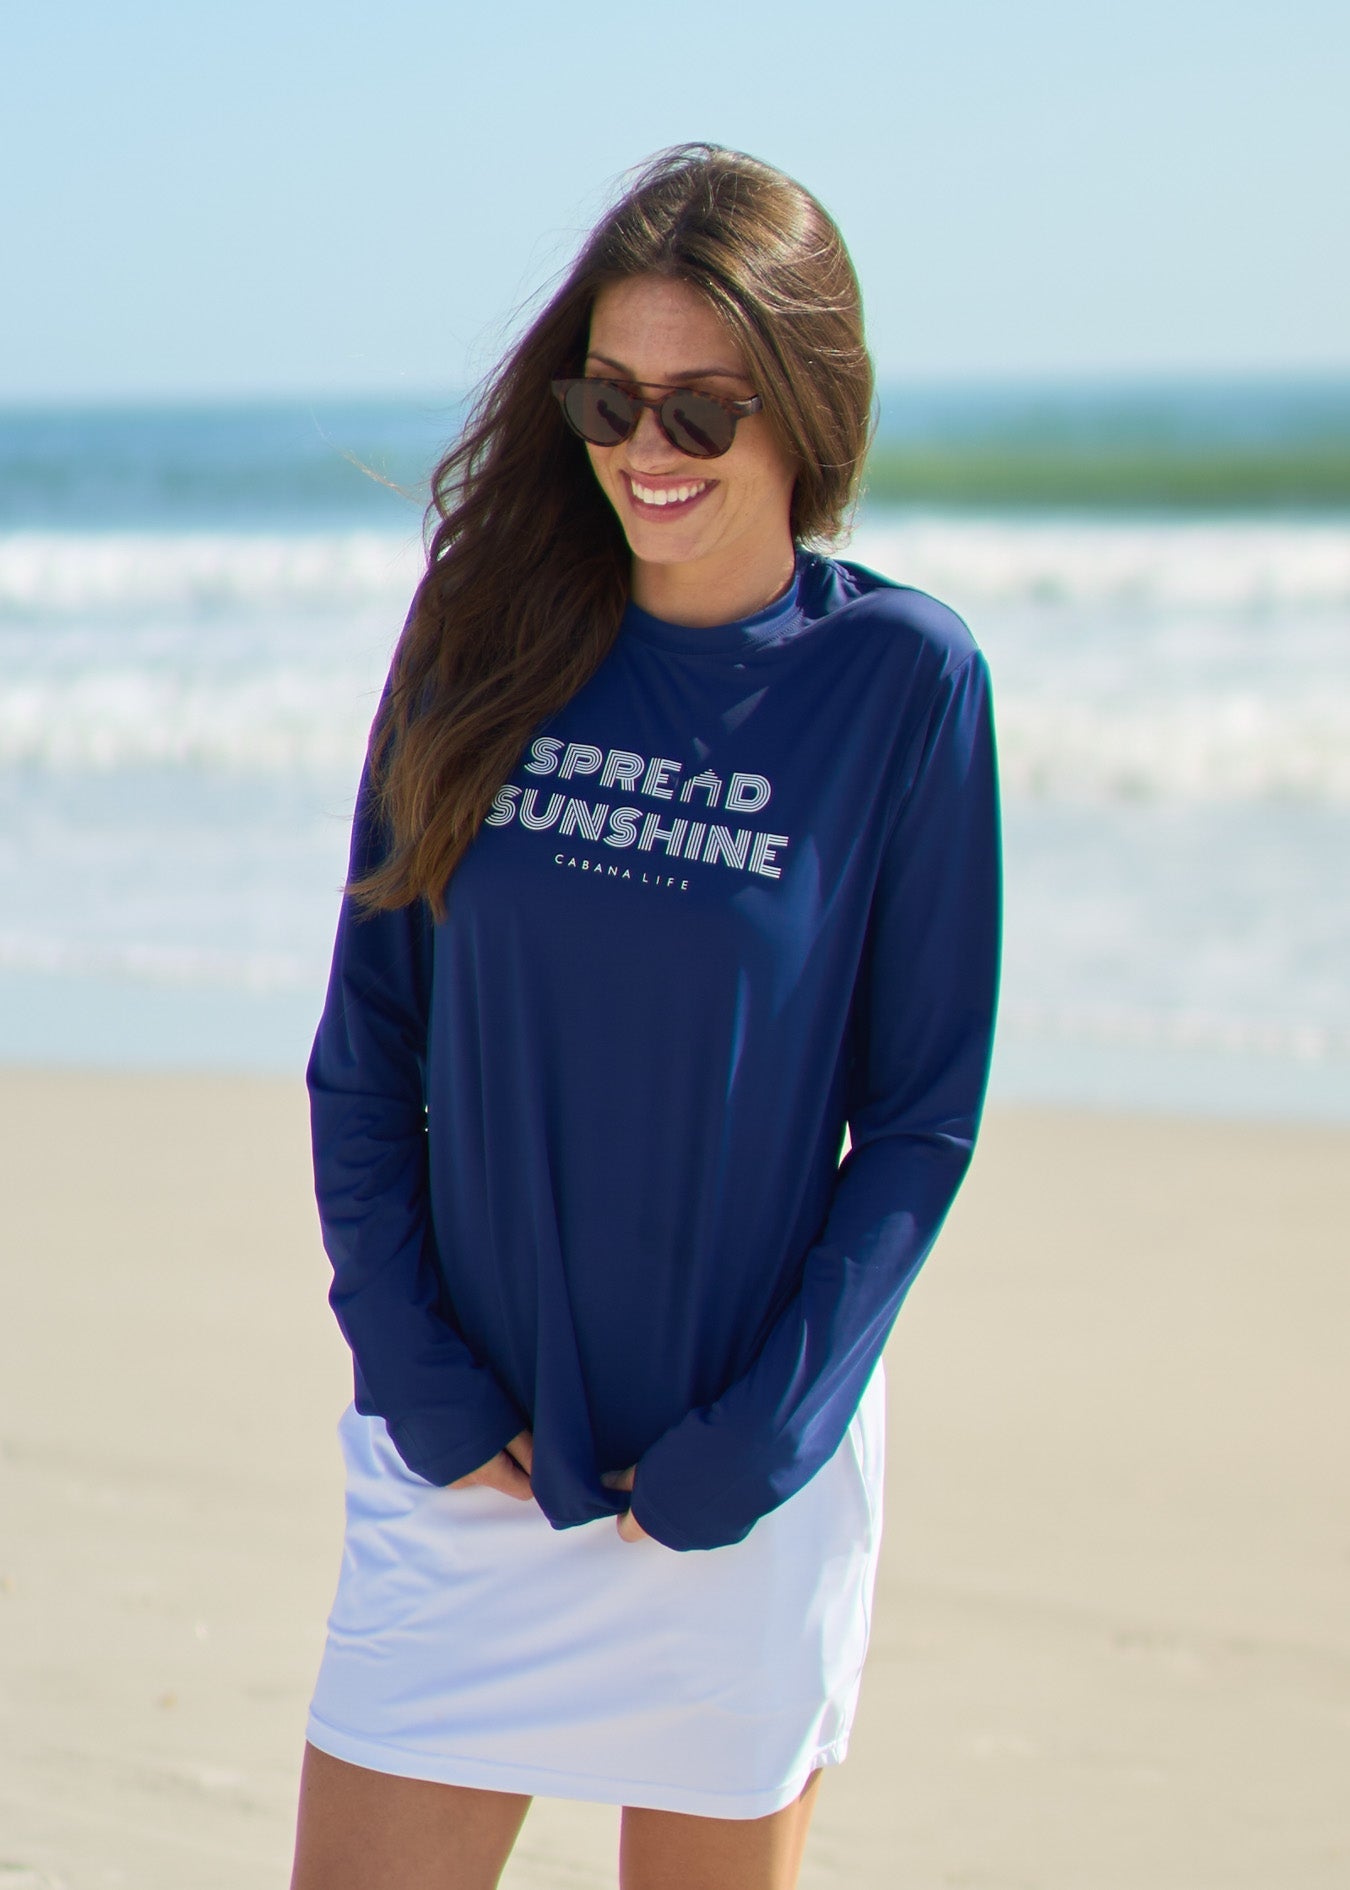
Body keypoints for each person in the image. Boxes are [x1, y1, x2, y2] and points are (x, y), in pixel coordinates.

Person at [290, 142, 1001, 1890]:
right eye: (609, 399)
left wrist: (769, 1430)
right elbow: (368, 1040)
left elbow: (918, 1113)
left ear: (804, 407)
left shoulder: (905, 686)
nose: (640, 452)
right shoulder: (482, 630)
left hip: (732, 1487)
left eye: (699, 410)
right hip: (464, 1463)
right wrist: (413, 1366)